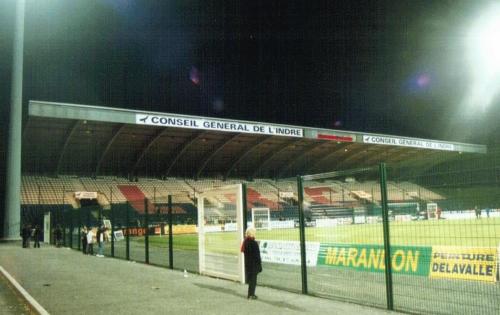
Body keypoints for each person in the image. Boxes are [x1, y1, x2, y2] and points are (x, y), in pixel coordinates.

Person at [241, 227, 262, 300]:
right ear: (252, 233)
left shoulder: (245, 242)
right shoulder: (254, 243)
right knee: (253, 281)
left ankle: (250, 294)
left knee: (251, 280)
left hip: (248, 264)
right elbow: (257, 256)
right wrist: (259, 266)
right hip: (254, 265)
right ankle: (251, 295)